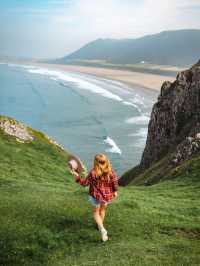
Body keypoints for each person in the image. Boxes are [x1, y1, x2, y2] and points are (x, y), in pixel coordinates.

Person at [70, 153, 118, 242]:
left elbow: (84, 184)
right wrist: (115, 191)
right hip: (107, 196)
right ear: (106, 161)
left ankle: (102, 229)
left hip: (95, 196)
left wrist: (77, 177)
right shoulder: (111, 171)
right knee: (102, 210)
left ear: (95, 162)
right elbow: (114, 182)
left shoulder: (93, 173)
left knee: (96, 213)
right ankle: (100, 226)